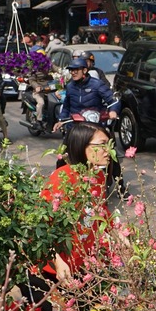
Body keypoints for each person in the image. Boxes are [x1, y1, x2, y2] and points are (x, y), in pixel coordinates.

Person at [41, 122, 115, 285]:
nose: (108, 150)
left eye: (110, 144)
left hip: (83, 263)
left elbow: (100, 210)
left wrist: (118, 234)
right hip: (57, 269)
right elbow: (42, 227)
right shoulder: (62, 179)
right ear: (81, 145)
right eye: (102, 145)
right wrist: (57, 261)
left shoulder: (98, 176)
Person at [56, 57, 120, 131]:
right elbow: (66, 107)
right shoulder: (70, 86)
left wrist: (113, 111)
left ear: (85, 70)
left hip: (94, 124)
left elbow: (113, 100)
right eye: (71, 70)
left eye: (76, 70)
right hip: (75, 126)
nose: (73, 73)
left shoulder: (97, 84)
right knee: (67, 141)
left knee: (106, 139)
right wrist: (61, 120)